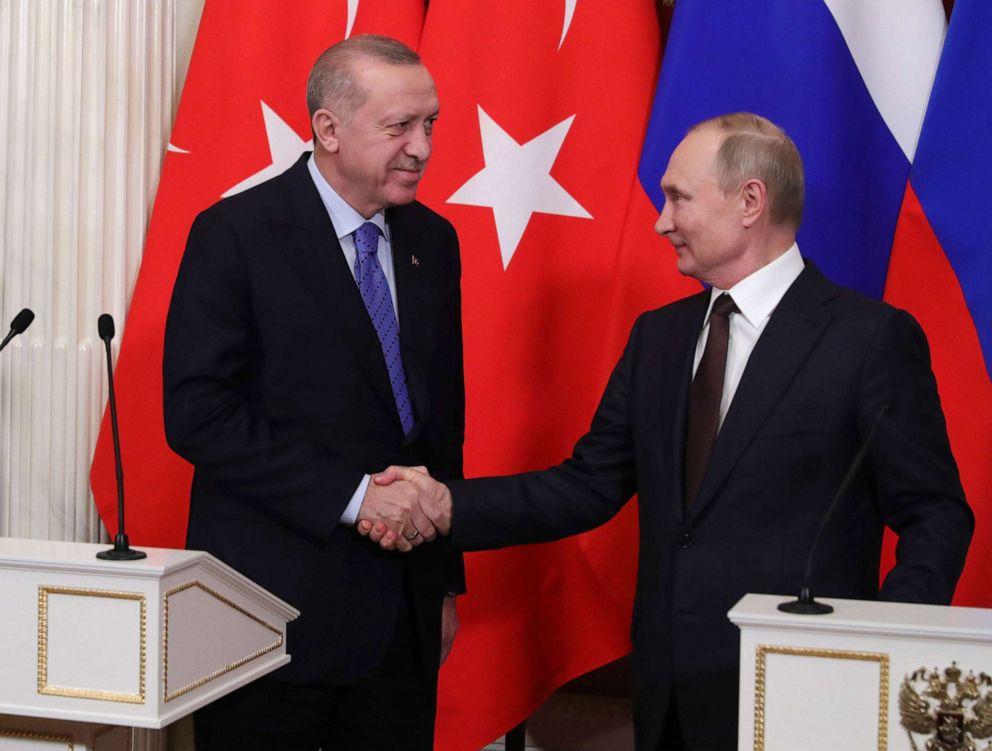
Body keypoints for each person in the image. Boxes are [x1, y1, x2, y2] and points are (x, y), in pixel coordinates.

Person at [361, 113, 974, 750]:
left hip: (806, 690)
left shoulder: (868, 340)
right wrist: (446, 503)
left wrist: (877, 648)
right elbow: (588, 486)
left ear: (750, 202)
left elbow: (936, 514)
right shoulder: (660, 336)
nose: (661, 219)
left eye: (678, 196)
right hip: (668, 694)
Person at [163, 35, 465, 751]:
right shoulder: (234, 234)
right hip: (270, 615)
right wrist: (356, 494)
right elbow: (198, 414)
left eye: (431, 125)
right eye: (399, 126)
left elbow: (440, 427)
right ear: (328, 128)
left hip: (401, 619)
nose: (421, 147)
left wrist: (445, 583)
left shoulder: (435, 241)